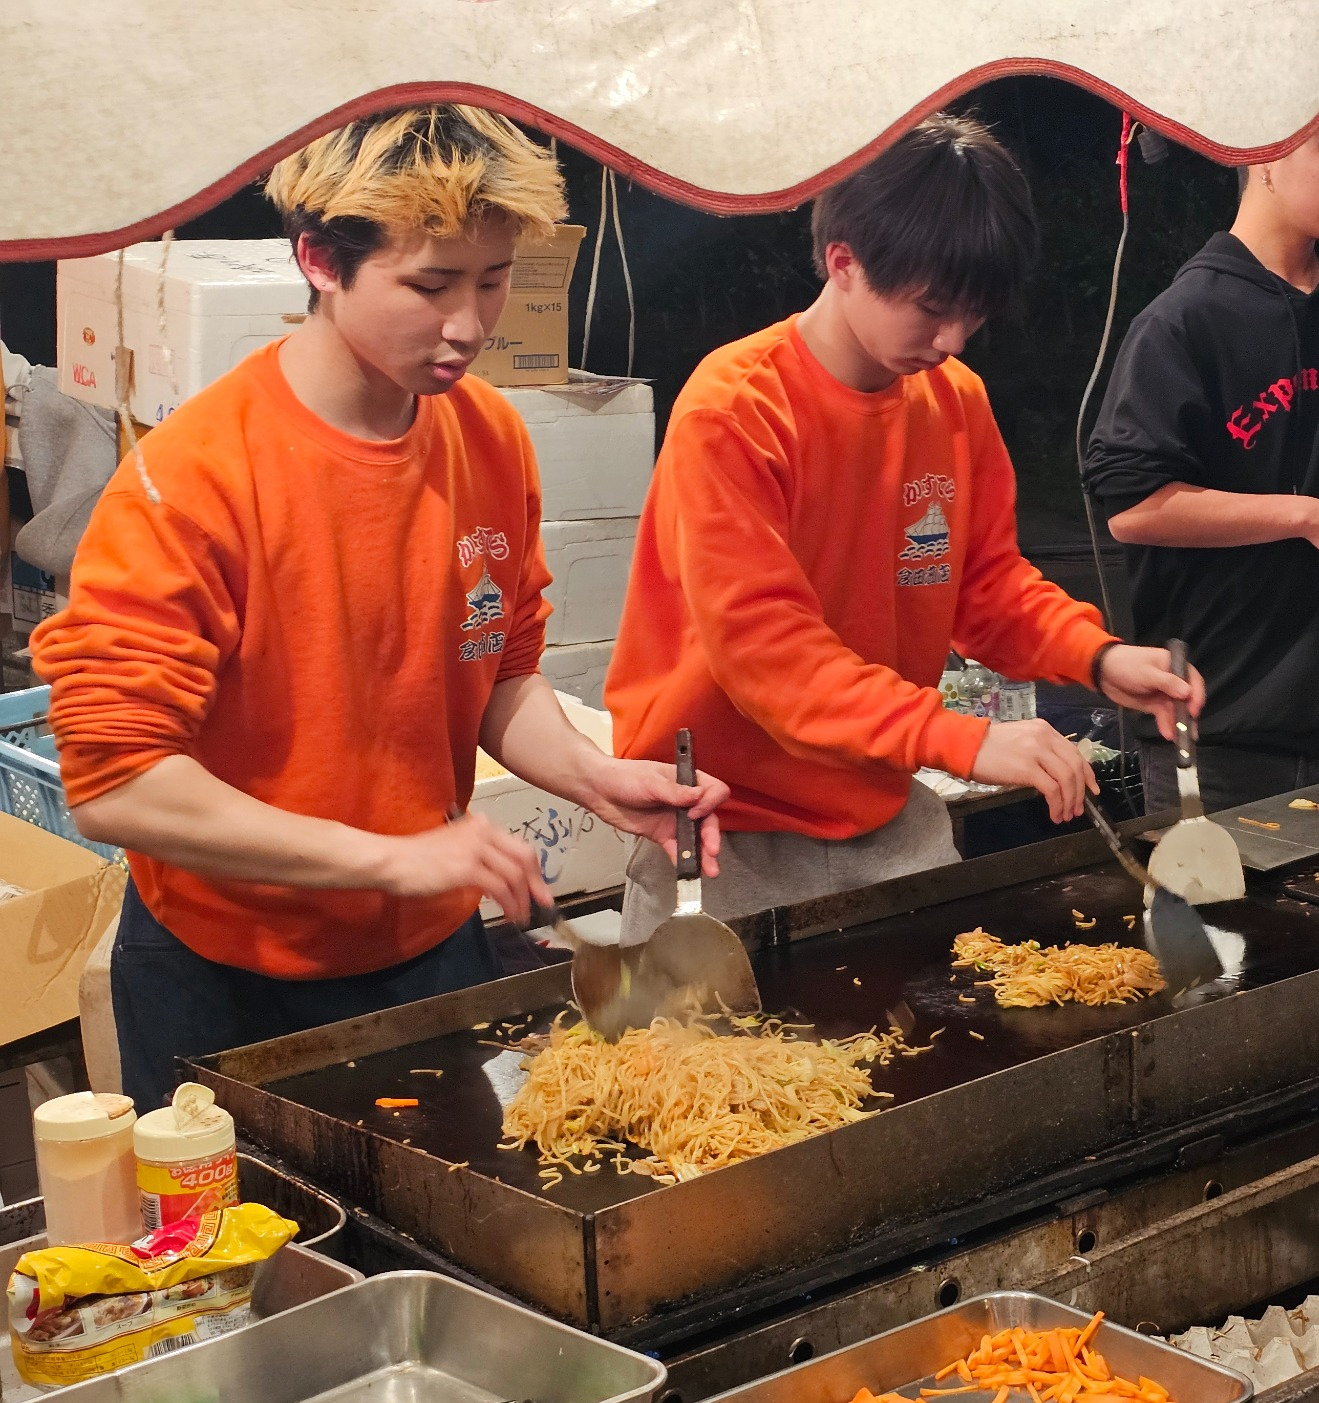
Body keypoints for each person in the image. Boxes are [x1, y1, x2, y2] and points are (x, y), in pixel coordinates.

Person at [32, 106, 727, 1109]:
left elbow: (502, 677)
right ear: (320, 260)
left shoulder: (487, 437)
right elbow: (118, 783)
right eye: (429, 284)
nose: (468, 324)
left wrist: (595, 776)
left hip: (427, 952)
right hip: (226, 980)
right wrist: (390, 857)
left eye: (493, 281)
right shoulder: (195, 478)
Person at [607, 113, 1200, 934]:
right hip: (722, 830)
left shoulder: (955, 401)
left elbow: (987, 587)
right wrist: (962, 738)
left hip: (884, 810)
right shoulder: (737, 408)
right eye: (930, 307)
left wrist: (1097, 657)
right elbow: (766, 652)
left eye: (975, 314)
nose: (952, 338)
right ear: (843, 263)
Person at [1083, 44, 1319, 814]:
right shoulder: (1185, 322)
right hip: (1213, 736)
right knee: (1215, 936)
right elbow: (1133, 505)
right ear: (1264, 157)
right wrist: (1307, 517)